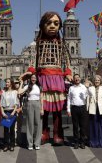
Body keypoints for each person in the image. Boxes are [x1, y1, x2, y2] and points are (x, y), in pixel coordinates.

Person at [27, 11, 72, 145]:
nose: (52, 26)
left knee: (58, 110)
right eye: (49, 23)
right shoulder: (38, 43)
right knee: (44, 109)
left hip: (57, 78)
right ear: (42, 26)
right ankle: (44, 132)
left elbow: (66, 60)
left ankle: (58, 133)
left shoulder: (61, 43)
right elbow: (32, 60)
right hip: (43, 77)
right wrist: (30, 71)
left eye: (56, 23)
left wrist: (68, 72)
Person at [18, 72, 43, 150]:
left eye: (34, 78)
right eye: (32, 77)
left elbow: (42, 98)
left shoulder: (39, 86)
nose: (33, 79)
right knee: (30, 123)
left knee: (38, 123)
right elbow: (19, 92)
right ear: (30, 79)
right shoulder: (27, 86)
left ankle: (37, 143)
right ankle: (30, 143)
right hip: (30, 104)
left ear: (36, 79)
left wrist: (42, 108)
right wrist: (21, 83)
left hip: (38, 103)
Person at [67, 74, 88, 149]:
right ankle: (76, 142)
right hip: (74, 108)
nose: (77, 79)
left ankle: (82, 142)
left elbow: (87, 96)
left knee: (83, 126)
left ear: (80, 78)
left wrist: (86, 89)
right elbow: (69, 99)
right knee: (75, 126)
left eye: (78, 78)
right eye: (75, 78)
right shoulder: (71, 88)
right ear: (73, 79)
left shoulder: (83, 86)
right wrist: (68, 109)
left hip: (82, 108)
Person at [87, 75, 102, 148]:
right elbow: (88, 99)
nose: (97, 81)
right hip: (93, 109)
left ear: (100, 81)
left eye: (98, 80)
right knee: (93, 126)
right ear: (93, 81)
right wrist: (87, 109)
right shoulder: (90, 88)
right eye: (96, 80)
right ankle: (94, 142)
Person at [0, 78, 18, 152]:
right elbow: (1, 104)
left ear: (11, 83)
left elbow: (17, 103)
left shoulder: (15, 92)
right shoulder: (3, 92)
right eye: (6, 82)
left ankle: (12, 144)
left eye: (8, 82)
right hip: (5, 112)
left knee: (12, 129)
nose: (6, 84)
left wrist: (14, 112)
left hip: (12, 112)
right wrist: (3, 113)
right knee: (6, 130)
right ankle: (6, 145)